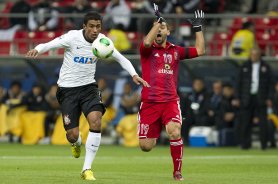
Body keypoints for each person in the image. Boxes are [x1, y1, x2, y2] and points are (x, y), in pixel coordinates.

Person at [26, 11, 149, 181]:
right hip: (67, 90)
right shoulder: (72, 37)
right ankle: (76, 143)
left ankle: (87, 169)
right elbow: (51, 44)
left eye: (98, 26)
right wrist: (37, 49)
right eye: (91, 26)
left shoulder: (103, 42)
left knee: (96, 120)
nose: (95, 30)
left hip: (88, 88)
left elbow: (122, 59)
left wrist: (134, 74)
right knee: (72, 135)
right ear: (84, 26)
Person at [138, 4, 205, 181]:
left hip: (169, 102)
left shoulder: (176, 51)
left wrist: (197, 29)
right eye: (157, 28)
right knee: (145, 146)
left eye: (162, 28)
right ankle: (156, 129)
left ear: (168, 31)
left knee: (175, 132)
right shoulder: (147, 50)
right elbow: (146, 41)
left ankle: (177, 172)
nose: (159, 31)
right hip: (150, 102)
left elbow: (200, 50)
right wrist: (157, 23)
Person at [234, 48, 273, 150]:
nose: (254, 56)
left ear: (260, 55)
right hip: (247, 97)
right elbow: (238, 83)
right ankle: (245, 144)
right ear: (250, 55)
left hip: (261, 97)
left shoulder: (266, 67)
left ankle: (264, 144)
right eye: (252, 54)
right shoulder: (244, 66)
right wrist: (238, 97)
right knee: (245, 122)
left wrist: (269, 97)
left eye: (256, 54)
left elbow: (270, 84)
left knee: (263, 122)